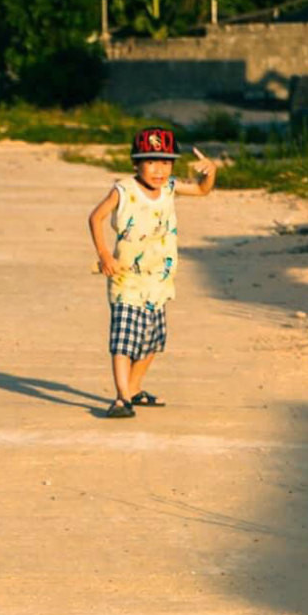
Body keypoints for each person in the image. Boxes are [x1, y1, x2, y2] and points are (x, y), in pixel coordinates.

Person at [87, 127, 218, 419]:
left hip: (159, 279)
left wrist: (211, 172)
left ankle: (133, 389)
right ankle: (121, 398)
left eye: (166, 162)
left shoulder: (170, 187)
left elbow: (201, 189)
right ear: (136, 163)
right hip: (126, 278)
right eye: (151, 162)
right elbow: (96, 217)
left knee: (152, 341)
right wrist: (104, 254)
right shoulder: (124, 190)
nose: (159, 169)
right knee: (123, 339)